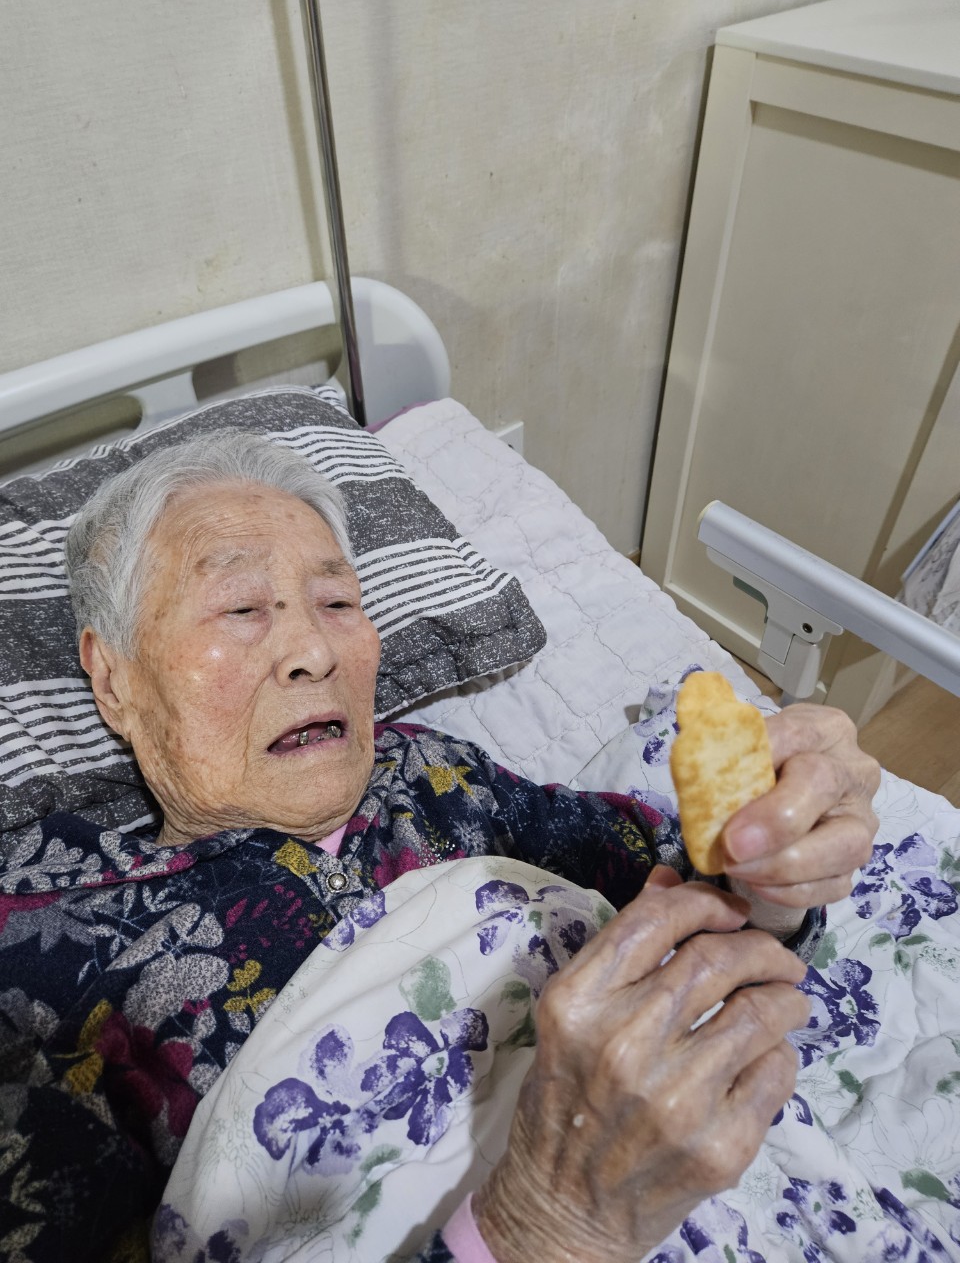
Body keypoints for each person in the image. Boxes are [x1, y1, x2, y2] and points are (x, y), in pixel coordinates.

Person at [0, 432, 880, 1263]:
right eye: (240, 608)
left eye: (338, 602)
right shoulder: (47, 941)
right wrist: (545, 1224)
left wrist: (774, 868)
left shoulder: (434, 773)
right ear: (113, 678)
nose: (313, 650)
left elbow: (696, 906)